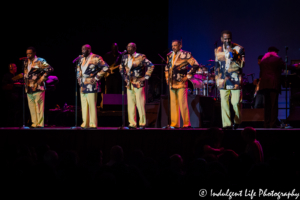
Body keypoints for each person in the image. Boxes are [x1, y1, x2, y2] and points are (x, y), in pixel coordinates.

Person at [259, 46, 299, 128]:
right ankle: (272, 124)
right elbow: (286, 67)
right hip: (273, 84)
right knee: (274, 105)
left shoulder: (263, 60)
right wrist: (296, 65)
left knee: (267, 106)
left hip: (264, 85)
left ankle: (266, 124)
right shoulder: (277, 59)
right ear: (275, 52)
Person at [165, 40, 200, 128]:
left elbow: (196, 65)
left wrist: (188, 76)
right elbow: (167, 67)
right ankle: (174, 124)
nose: (173, 47)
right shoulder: (169, 55)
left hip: (181, 82)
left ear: (180, 46)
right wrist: (167, 78)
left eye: (175, 45)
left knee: (182, 103)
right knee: (173, 104)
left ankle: (186, 124)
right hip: (172, 82)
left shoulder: (186, 54)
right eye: (172, 45)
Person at [119, 43, 155, 129]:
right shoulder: (124, 57)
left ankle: (142, 123)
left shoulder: (141, 57)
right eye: (127, 47)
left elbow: (151, 65)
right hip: (129, 83)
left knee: (140, 104)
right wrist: (124, 77)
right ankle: (132, 123)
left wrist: (145, 77)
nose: (128, 49)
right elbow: (121, 67)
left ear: (135, 48)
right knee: (131, 105)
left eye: (130, 47)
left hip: (138, 83)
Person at [215, 30, 245, 129]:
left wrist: (235, 55)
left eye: (228, 38)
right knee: (224, 103)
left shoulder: (239, 48)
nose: (227, 40)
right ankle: (227, 125)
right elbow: (217, 65)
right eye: (225, 38)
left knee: (236, 102)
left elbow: (242, 65)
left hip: (235, 79)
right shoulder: (218, 50)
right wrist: (216, 78)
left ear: (231, 39)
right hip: (222, 79)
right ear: (221, 39)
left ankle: (237, 121)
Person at [77, 44, 109, 129]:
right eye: (82, 49)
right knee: (84, 105)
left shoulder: (96, 57)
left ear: (89, 50)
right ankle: (85, 123)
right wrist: (78, 78)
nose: (82, 51)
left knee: (91, 104)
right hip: (83, 84)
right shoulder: (81, 59)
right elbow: (78, 69)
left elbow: (106, 67)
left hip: (91, 84)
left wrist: (97, 77)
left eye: (84, 50)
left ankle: (92, 124)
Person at [24, 47, 53, 128]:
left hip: (38, 87)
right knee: (32, 107)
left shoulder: (40, 61)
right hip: (29, 88)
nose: (28, 55)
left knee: (39, 107)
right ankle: (34, 123)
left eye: (30, 53)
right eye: (27, 53)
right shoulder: (26, 62)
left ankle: (40, 124)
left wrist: (42, 78)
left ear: (34, 53)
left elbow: (50, 69)